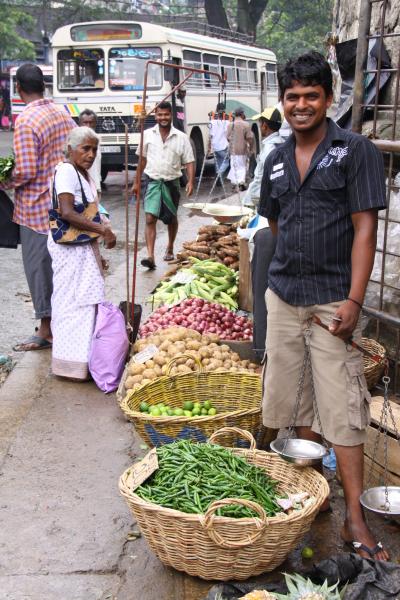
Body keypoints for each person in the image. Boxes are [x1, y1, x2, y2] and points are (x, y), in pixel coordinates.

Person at [259, 51, 388, 561]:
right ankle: (313, 498)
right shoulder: (274, 159)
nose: (301, 104)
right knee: (292, 402)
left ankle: (355, 515)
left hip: (335, 299)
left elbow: (365, 228)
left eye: (311, 95)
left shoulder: (354, 151)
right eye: (292, 96)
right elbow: (274, 227)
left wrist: (354, 299)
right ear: (282, 101)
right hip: (284, 298)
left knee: (344, 409)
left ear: (329, 100)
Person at [0, 63, 75, 351]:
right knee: (58, 268)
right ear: (43, 85)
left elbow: (26, 169)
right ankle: (59, 323)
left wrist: (5, 181)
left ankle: (45, 330)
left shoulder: (26, 119)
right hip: (63, 201)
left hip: (35, 209)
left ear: (18, 89)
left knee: (37, 268)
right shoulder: (61, 112)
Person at [48, 127, 116, 380]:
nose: (90, 154)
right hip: (69, 251)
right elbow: (66, 212)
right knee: (71, 304)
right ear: (70, 149)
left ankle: (84, 363)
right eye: (85, 148)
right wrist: (103, 230)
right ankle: (70, 366)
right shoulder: (66, 171)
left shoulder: (83, 174)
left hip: (81, 248)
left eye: (94, 149)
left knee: (85, 306)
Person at [132, 101, 195, 269]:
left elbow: (189, 161)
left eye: (166, 114)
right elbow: (142, 160)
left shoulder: (181, 137)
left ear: (171, 115)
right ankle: (150, 256)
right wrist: (136, 182)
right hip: (152, 182)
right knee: (150, 218)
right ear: (155, 116)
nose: (163, 118)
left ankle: (170, 246)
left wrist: (190, 181)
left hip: (172, 184)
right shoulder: (147, 135)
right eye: (160, 115)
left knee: (171, 218)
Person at [244, 107, 284, 361]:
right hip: (274, 225)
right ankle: (266, 349)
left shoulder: (272, 149)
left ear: (265, 126)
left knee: (263, 291)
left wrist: (248, 204)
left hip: (269, 228)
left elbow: (262, 186)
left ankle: (261, 351)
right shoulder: (286, 146)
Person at [226, 107, 255, 191]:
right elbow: (249, 138)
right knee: (242, 166)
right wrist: (251, 148)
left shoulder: (230, 125)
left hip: (233, 151)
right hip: (242, 150)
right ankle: (241, 183)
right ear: (242, 114)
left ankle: (236, 183)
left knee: (234, 166)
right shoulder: (246, 124)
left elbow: (227, 137)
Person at [79, 109, 101, 198]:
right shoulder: (76, 141)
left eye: (91, 123)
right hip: (82, 186)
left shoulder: (97, 139)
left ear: (95, 123)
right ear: (80, 123)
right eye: (85, 122)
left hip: (95, 185)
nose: (88, 126)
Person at [209, 103, 230, 186]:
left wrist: (209, 146)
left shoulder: (212, 121)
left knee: (217, 162)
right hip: (223, 146)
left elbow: (210, 135)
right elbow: (227, 134)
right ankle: (219, 175)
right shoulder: (226, 122)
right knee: (226, 162)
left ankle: (219, 181)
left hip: (215, 146)